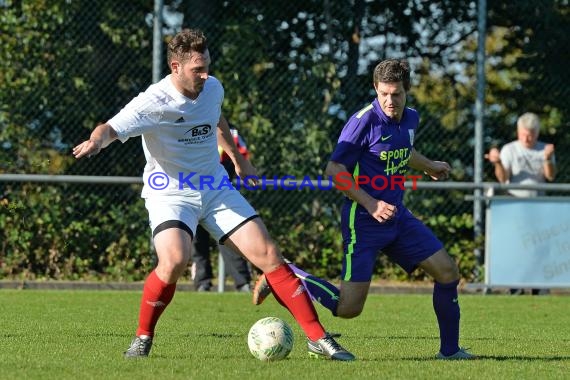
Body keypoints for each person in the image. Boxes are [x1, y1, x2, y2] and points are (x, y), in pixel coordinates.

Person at [73, 28, 354, 361]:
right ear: (175, 67)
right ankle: (143, 337)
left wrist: (238, 160)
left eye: (207, 64)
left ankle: (318, 339)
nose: (205, 74)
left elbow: (216, 118)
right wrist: (95, 141)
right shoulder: (153, 101)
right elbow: (110, 128)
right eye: (197, 69)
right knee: (175, 260)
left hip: (215, 187)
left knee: (269, 255)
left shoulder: (213, 87)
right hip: (171, 192)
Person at [253, 59, 476, 360]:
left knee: (447, 272)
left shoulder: (410, 118)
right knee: (348, 309)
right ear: (376, 88)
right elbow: (334, 170)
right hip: (363, 220)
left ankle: (450, 352)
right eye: (383, 93)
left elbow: (402, 150)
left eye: (395, 94)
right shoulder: (363, 121)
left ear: (406, 90)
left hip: (397, 217)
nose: (389, 100)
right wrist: (370, 203)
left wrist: (430, 166)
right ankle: (288, 273)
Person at [486, 112, 556, 295]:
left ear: (537, 133)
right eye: (524, 133)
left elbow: (551, 176)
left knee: (538, 248)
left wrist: (548, 159)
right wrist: (498, 163)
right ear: (518, 132)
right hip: (515, 207)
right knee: (516, 248)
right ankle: (515, 288)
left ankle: (538, 288)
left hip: (539, 208)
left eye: (531, 133)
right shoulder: (509, 149)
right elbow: (503, 179)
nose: (527, 137)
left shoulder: (544, 149)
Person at [192, 125, 253, 292]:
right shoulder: (186, 122)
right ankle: (202, 283)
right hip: (191, 193)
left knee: (230, 238)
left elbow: (242, 155)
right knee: (197, 242)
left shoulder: (229, 131)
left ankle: (243, 284)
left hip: (219, 196)